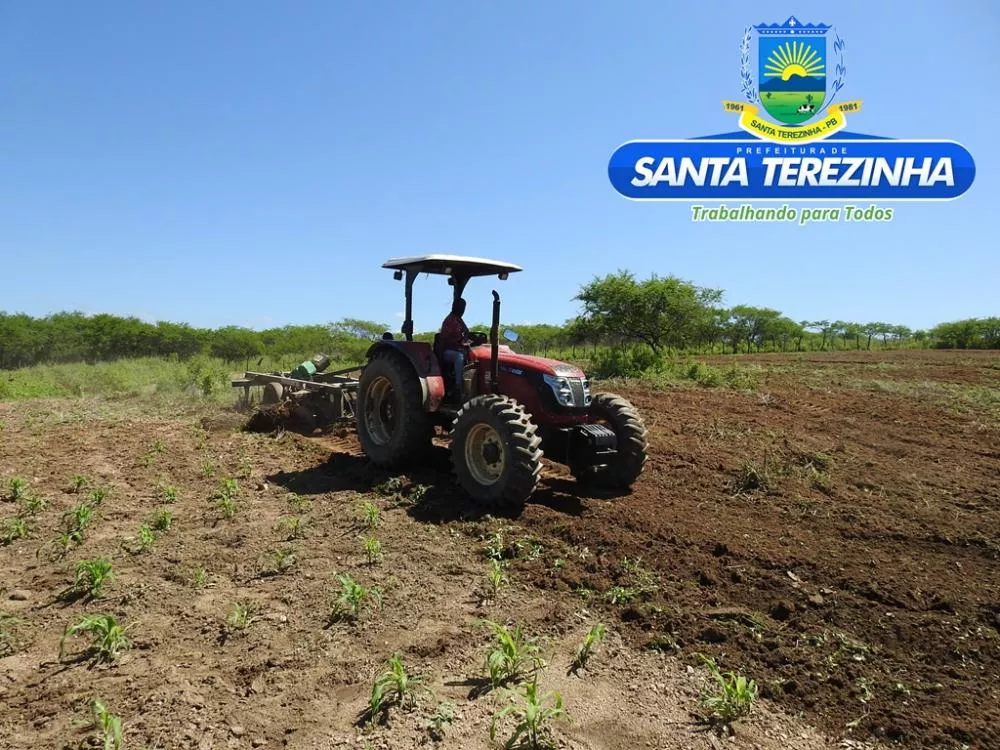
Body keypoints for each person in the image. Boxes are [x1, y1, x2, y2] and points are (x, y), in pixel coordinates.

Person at [439, 298, 471, 394]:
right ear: (455, 307)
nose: (463, 310)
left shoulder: (459, 320)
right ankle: (459, 385)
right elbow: (443, 339)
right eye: (461, 307)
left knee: (472, 355)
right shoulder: (449, 321)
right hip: (446, 351)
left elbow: (466, 332)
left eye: (464, 308)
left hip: (458, 348)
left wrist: (465, 341)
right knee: (459, 357)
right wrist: (460, 342)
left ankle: (470, 382)